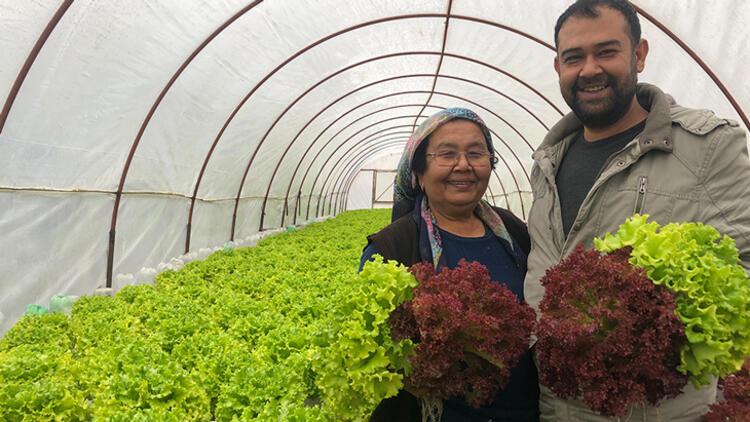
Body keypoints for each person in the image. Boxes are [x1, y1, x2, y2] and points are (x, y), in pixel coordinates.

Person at [524, 0, 750, 420]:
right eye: (574, 58)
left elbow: (743, 272)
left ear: (639, 55)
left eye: (606, 52)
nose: (589, 69)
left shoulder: (707, 147)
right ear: (558, 68)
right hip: (553, 406)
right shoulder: (547, 162)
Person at [360, 107, 540, 421]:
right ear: (417, 171)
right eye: (446, 154)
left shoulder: (514, 232)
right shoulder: (390, 249)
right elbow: (376, 355)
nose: (463, 166)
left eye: (476, 153)